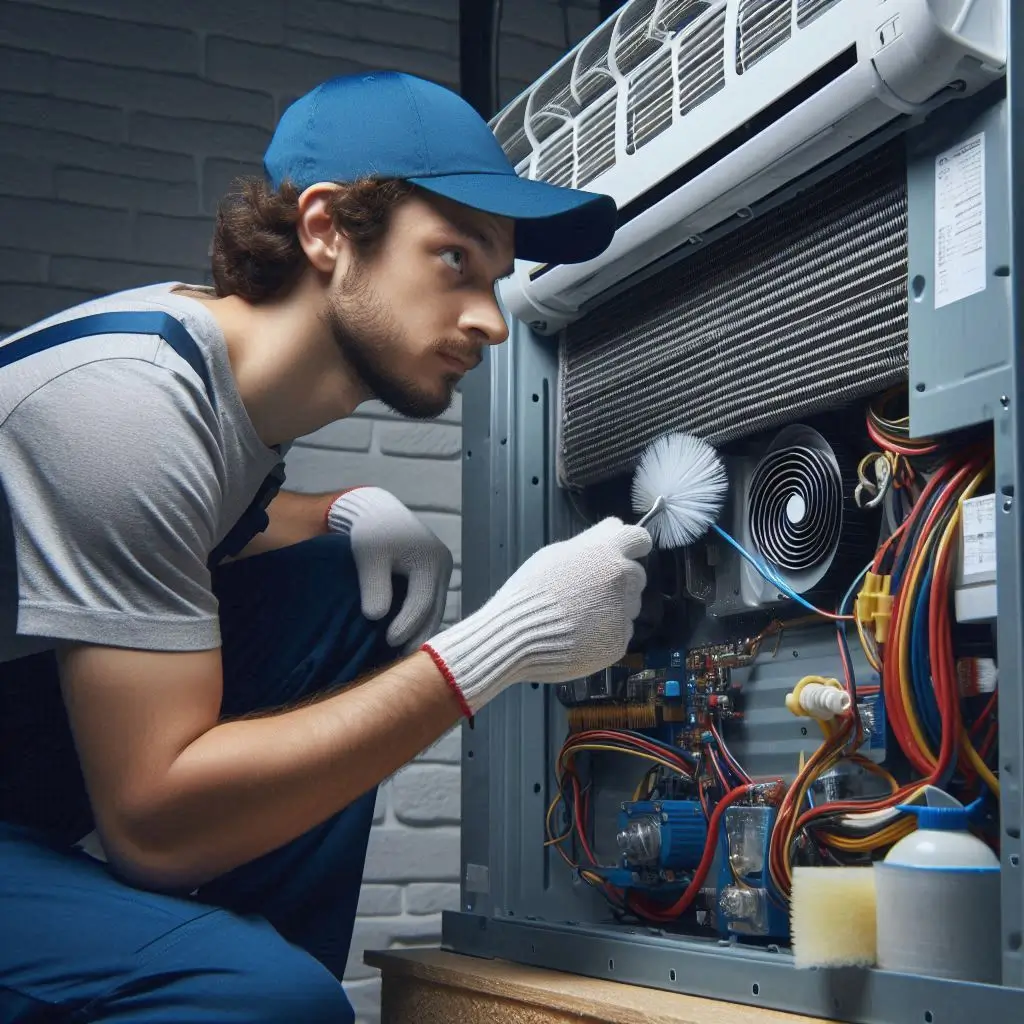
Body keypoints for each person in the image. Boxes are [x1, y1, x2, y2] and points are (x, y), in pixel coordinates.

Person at [0, 71, 651, 1022]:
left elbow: (190, 535)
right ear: (326, 230)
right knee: (278, 1002)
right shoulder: (130, 406)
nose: (492, 321)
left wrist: (347, 504)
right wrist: (496, 646)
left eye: (498, 279)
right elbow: (151, 830)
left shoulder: (208, 379)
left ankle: (230, 980)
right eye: (454, 260)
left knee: (346, 583)